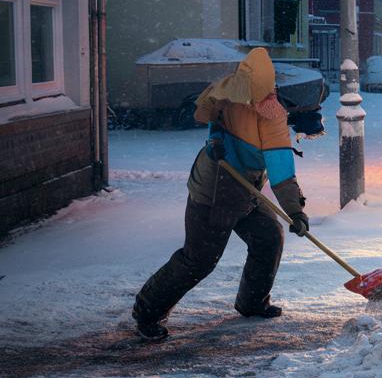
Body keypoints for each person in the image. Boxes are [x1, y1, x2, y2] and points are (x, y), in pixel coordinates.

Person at [131, 48, 310, 341]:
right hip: (214, 188)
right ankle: (147, 312)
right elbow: (216, 119)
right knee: (199, 259)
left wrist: (295, 210)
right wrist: (216, 138)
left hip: (246, 187)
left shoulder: (271, 115)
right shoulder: (228, 93)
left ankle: (252, 302)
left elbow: (281, 169)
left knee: (268, 237)